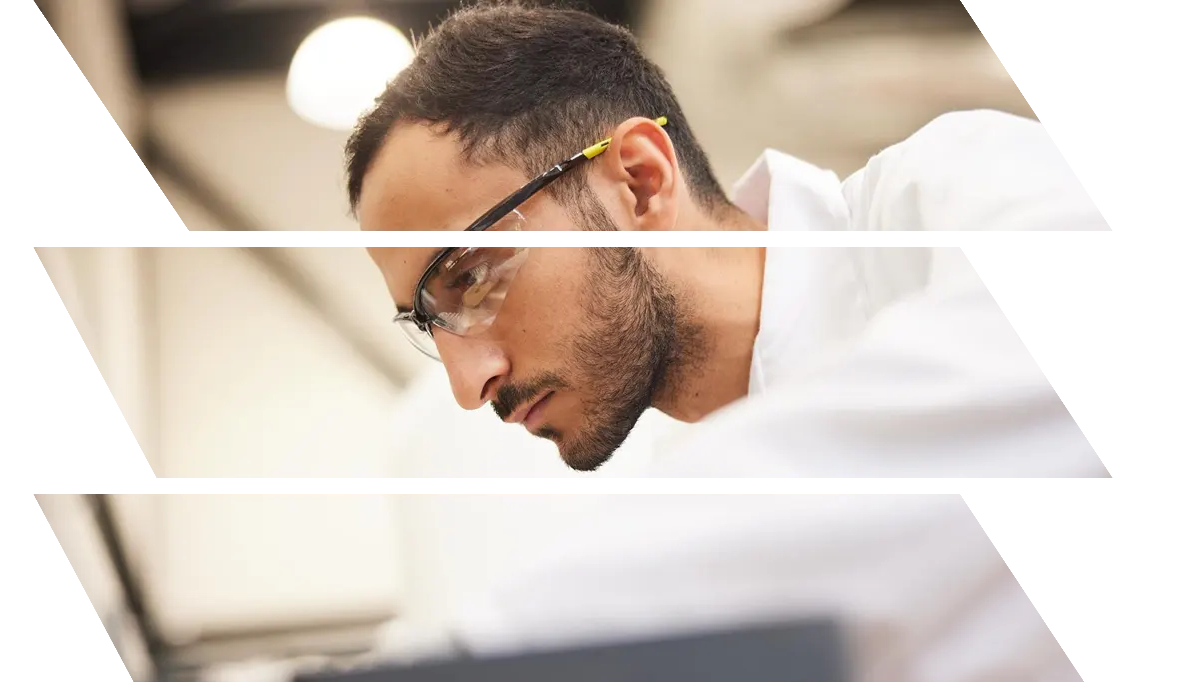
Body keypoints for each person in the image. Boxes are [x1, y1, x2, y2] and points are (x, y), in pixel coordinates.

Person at [349, 1, 1201, 473]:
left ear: (638, 181)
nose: (470, 385)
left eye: (469, 278)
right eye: (431, 325)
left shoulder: (954, 202)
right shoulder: (695, 505)